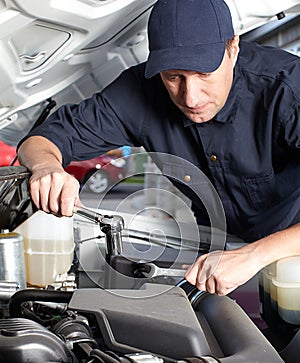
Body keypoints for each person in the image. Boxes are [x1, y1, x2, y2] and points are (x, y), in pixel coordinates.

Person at [17, 0, 300, 297]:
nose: (190, 97)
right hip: (213, 247)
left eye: (204, 74)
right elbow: (45, 138)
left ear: (233, 48)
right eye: (173, 77)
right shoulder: (139, 91)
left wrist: (254, 255)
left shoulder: (287, 88)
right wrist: (46, 167)